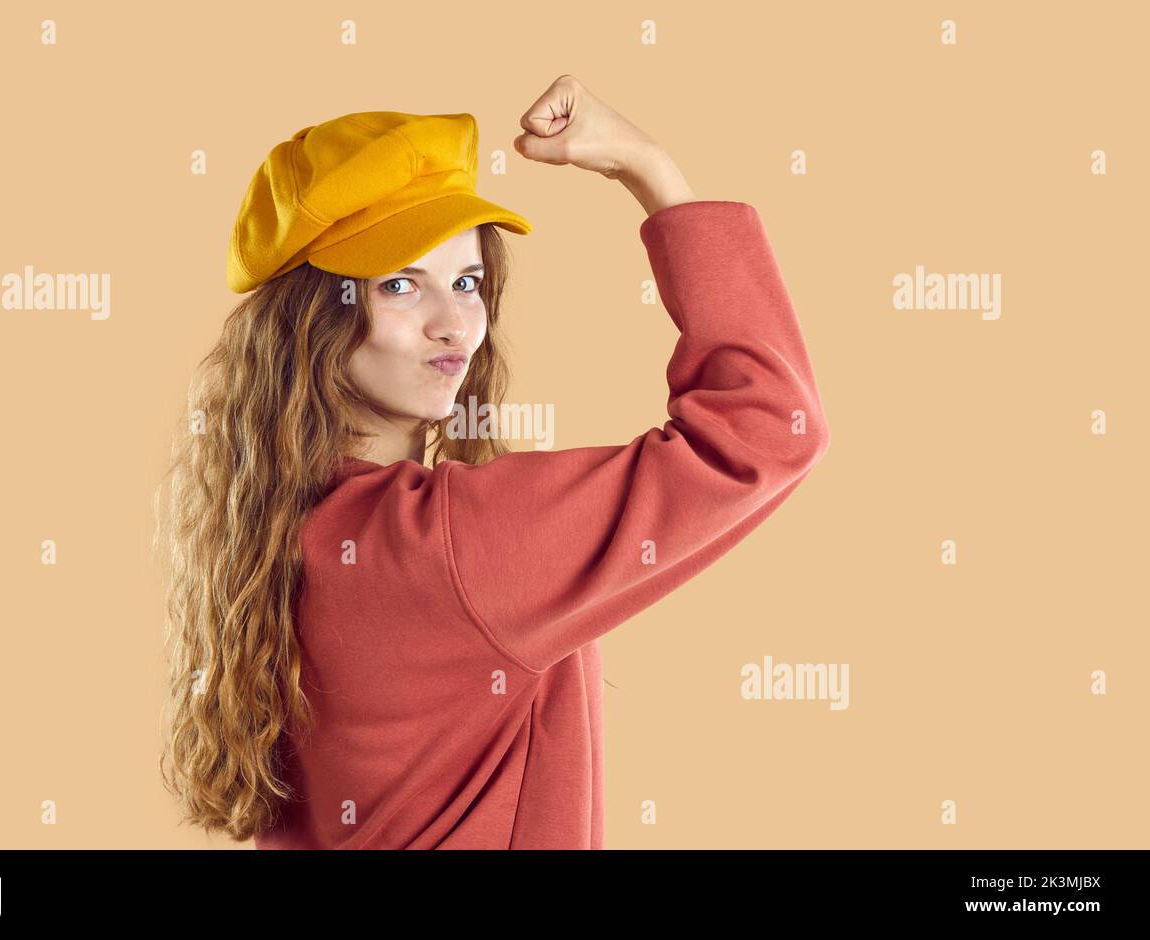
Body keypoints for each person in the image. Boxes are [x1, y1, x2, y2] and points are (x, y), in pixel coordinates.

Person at [155, 74, 830, 849]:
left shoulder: (279, 530)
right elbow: (772, 425)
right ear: (309, 321)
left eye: (468, 281)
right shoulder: (442, 542)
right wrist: (649, 169)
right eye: (402, 285)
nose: (454, 325)